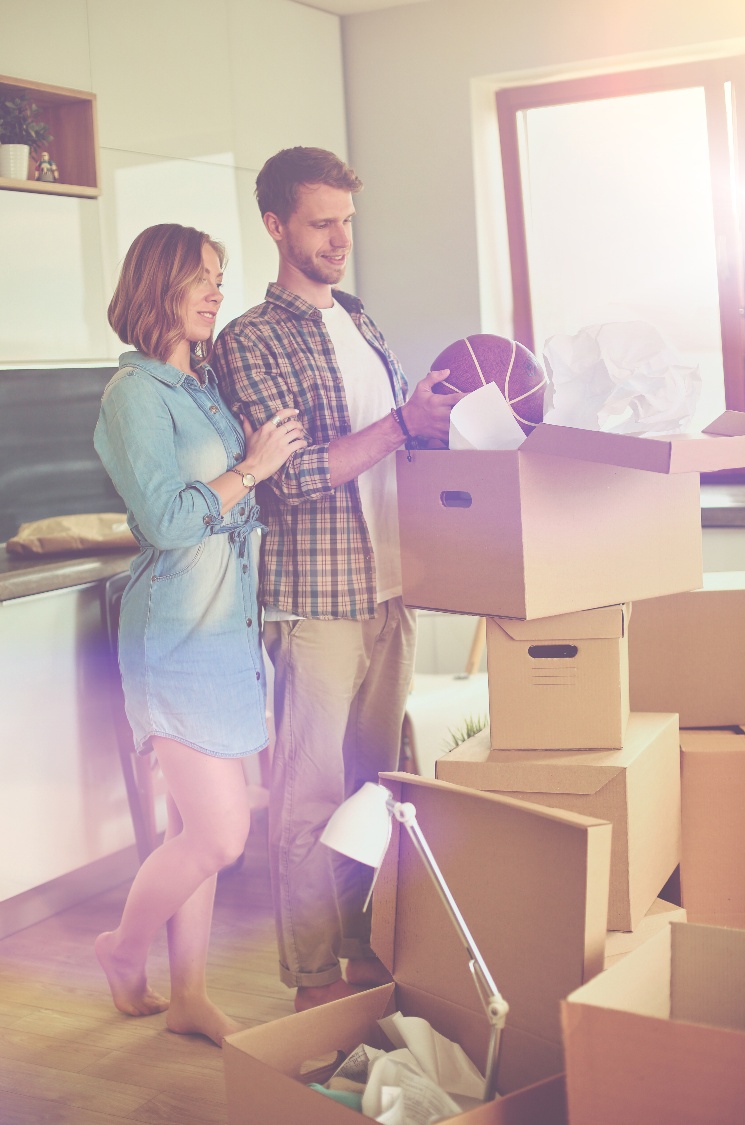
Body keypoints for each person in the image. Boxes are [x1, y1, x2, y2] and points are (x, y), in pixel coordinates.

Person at [213, 147, 461, 1011]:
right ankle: (314, 980)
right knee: (311, 796)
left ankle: (365, 951)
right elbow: (294, 474)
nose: (339, 238)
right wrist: (401, 422)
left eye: (347, 221)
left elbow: (392, 447)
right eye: (322, 222)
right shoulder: (248, 340)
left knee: (377, 790)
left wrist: (434, 422)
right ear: (276, 226)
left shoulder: (360, 319)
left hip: (391, 588)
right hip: (316, 601)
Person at [93, 223, 306, 1045]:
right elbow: (169, 520)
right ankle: (122, 947)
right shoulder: (134, 395)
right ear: (159, 287)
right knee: (222, 833)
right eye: (202, 280)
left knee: (198, 836)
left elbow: (227, 503)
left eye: (220, 276)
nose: (219, 291)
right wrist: (250, 467)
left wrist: (259, 469)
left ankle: (187, 993)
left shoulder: (201, 383)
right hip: (175, 639)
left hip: (226, 639)